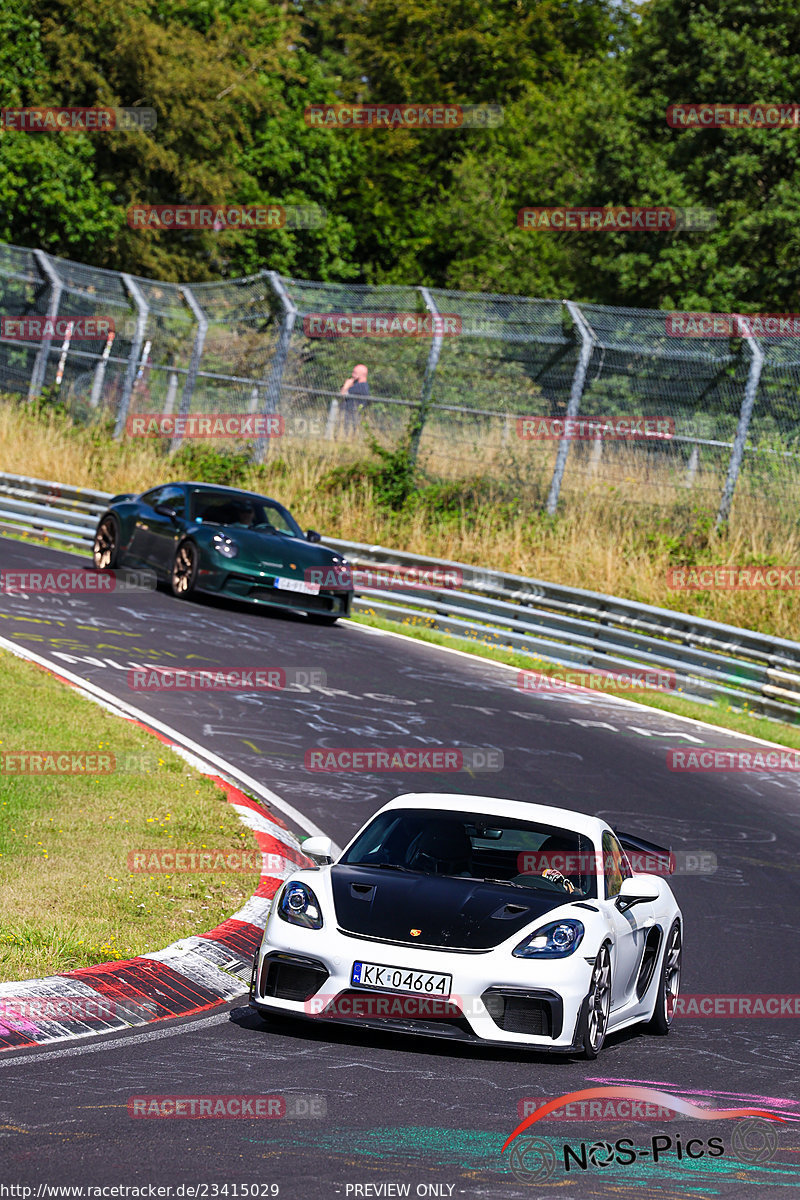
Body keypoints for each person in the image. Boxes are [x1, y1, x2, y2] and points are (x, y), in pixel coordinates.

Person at [339, 363, 369, 435]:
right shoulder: (358, 385)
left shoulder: (361, 386)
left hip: (353, 416)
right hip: (350, 416)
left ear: (362, 374)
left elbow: (342, 394)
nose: (352, 375)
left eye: (355, 373)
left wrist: (347, 385)